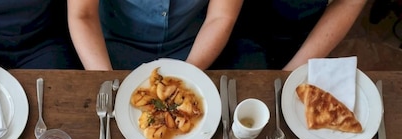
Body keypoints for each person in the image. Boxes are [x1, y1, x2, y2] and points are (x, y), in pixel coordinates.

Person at [67, 0, 244, 71]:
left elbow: (221, 17)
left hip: (195, 46)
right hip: (110, 48)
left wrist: (188, 74)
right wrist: (104, 79)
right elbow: (83, 15)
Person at [221, 0, 369, 70]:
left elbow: (350, 3)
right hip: (239, 21)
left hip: (300, 34)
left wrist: (293, 71)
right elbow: (221, 17)